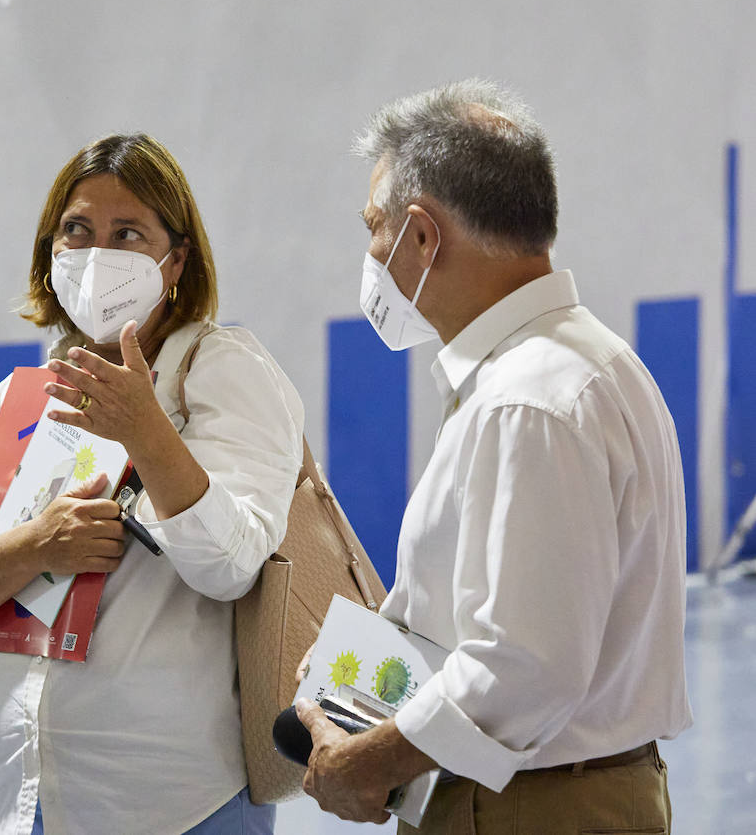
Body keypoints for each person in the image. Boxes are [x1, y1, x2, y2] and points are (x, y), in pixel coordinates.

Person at [296, 80, 691, 833]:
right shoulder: (580, 363)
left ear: (422, 236)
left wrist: (371, 759)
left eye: (374, 228)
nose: (371, 256)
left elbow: (524, 666)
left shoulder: (529, 400)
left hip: (533, 807)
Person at [0, 133, 305, 834]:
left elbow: (232, 566)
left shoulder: (218, 370)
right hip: (18, 798)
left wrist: (148, 432)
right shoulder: (24, 398)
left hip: (172, 804)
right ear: (49, 252)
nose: (97, 256)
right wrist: (34, 548)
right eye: (77, 231)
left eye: (129, 234)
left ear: (175, 261)